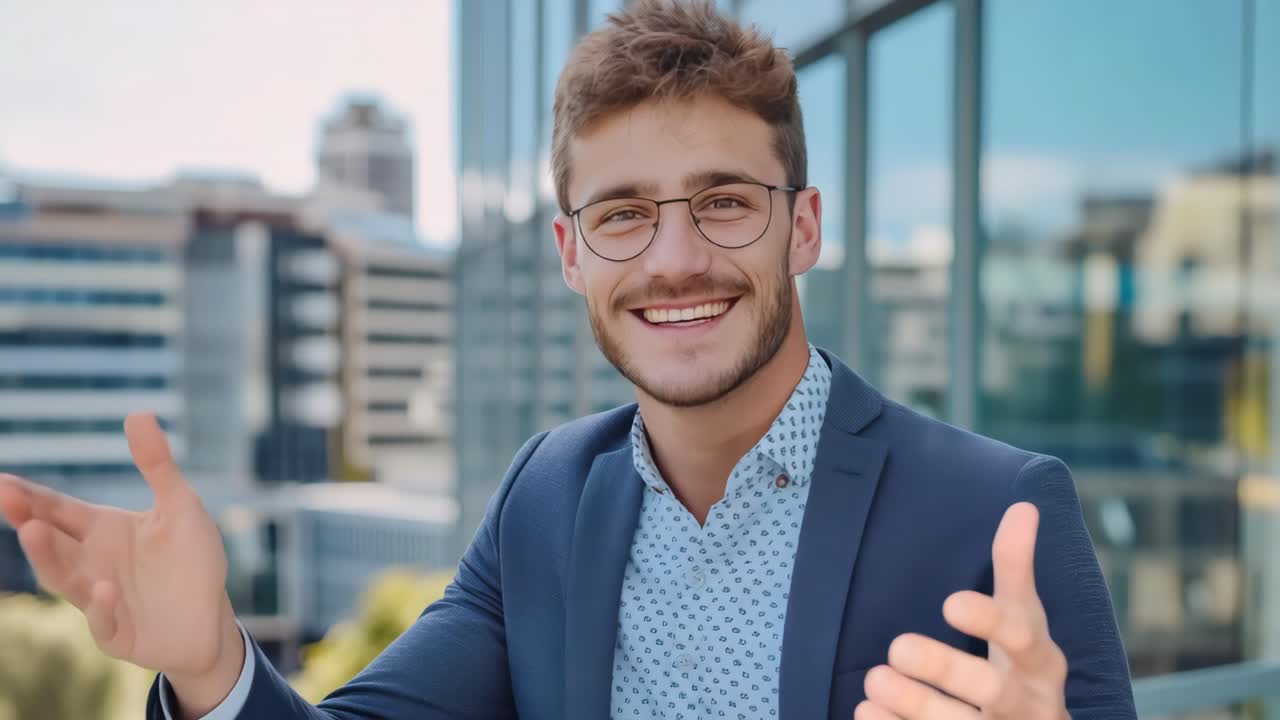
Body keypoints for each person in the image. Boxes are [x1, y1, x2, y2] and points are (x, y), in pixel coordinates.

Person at [0, 1, 1136, 718]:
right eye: (624, 215)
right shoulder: (545, 495)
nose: (676, 258)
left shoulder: (999, 515)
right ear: (569, 253)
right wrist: (211, 664)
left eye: (725, 203)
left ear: (803, 227)